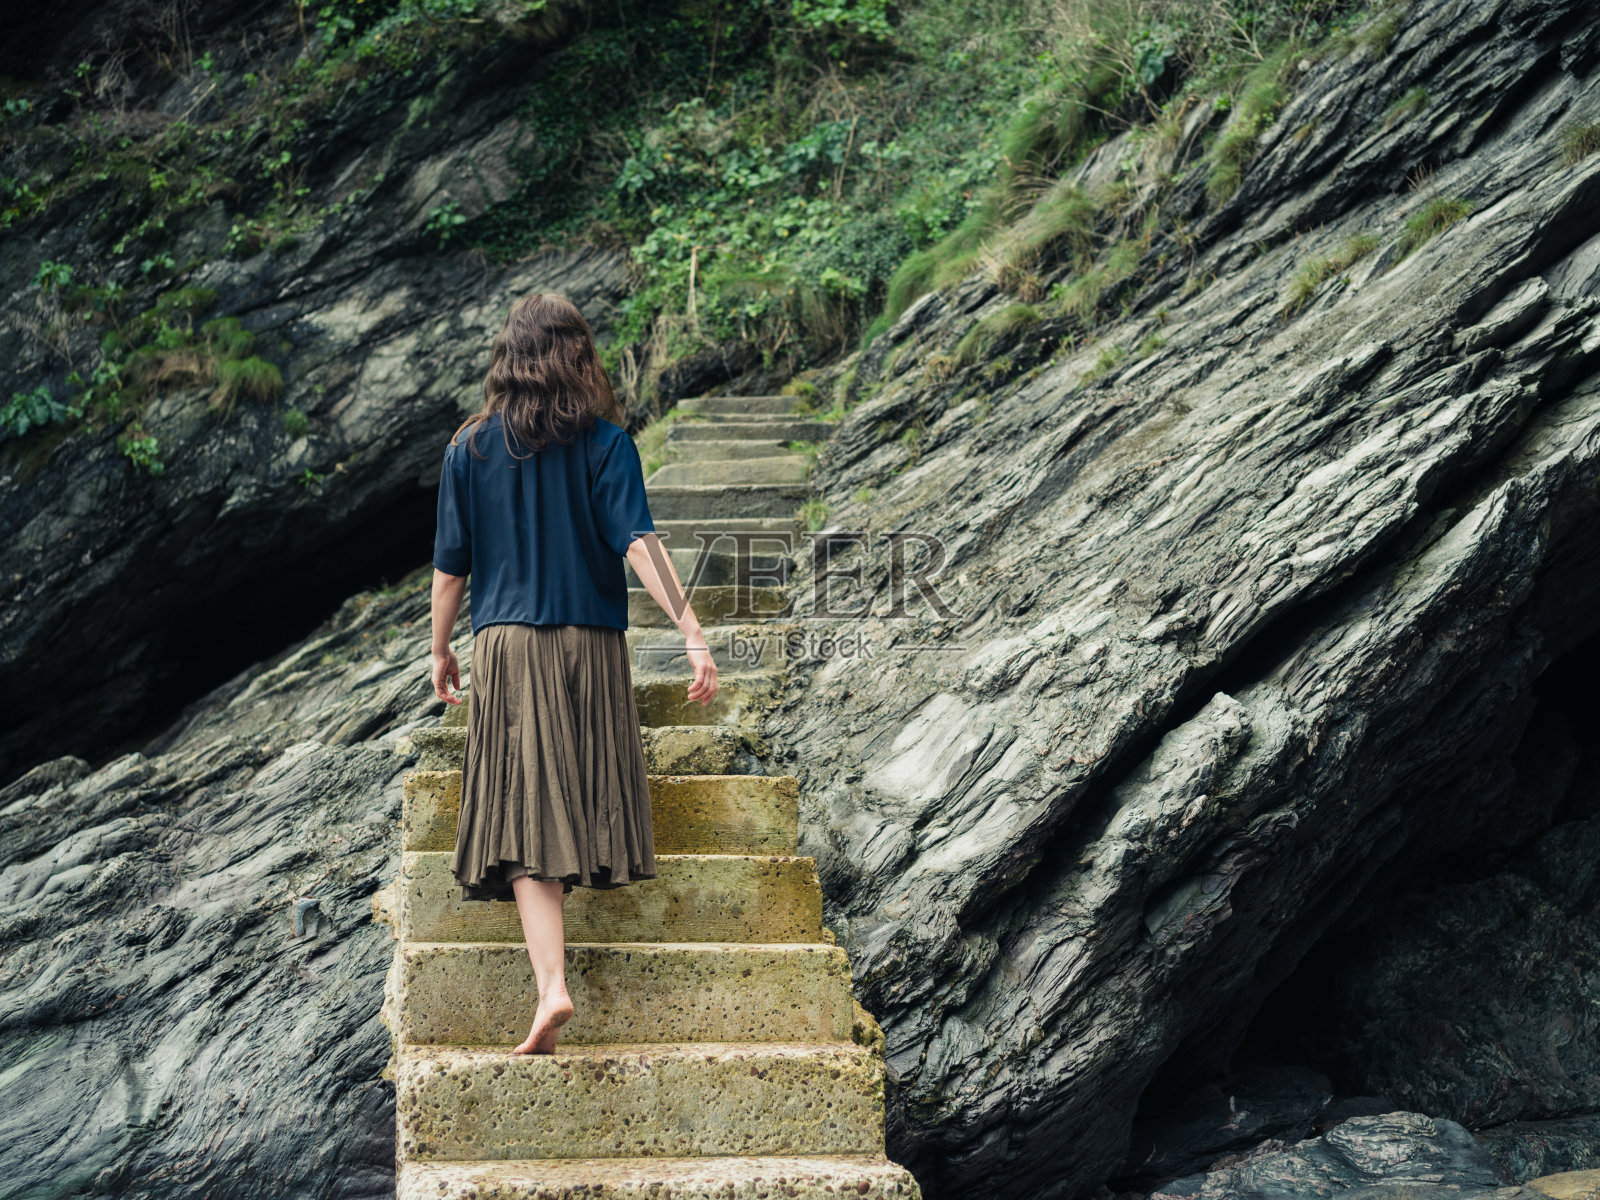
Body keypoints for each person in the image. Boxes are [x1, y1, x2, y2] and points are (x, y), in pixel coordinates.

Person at [426, 292, 718, 1056]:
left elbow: (450, 571)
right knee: (569, 802)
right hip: (590, 646)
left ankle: (552, 986)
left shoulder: (469, 449)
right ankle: (551, 989)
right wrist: (691, 631)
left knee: (525, 814)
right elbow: (638, 543)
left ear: (507, 358)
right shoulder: (607, 444)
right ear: (579, 355)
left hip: (509, 648)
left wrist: (440, 649)